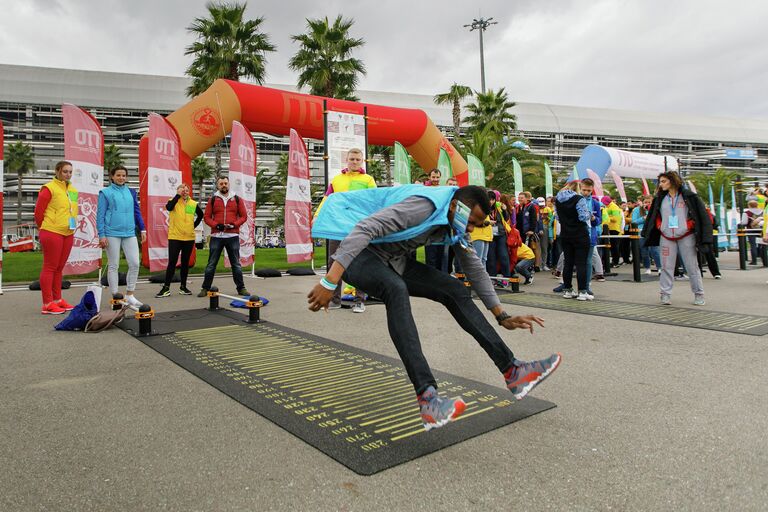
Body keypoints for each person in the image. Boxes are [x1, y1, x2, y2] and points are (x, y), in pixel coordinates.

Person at [308, 184, 561, 431]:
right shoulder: (423, 206)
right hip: (358, 256)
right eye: (471, 220)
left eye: (476, 224)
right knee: (395, 289)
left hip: (392, 260)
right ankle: (428, 398)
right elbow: (366, 227)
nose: (470, 228)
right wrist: (330, 280)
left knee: (455, 290)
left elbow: (473, 266)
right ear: (455, 206)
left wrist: (501, 315)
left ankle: (513, 371)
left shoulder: (456, 220)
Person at [641, 171, 712, 306]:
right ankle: (665, 294)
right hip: (666, 236)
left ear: (672, 181)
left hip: (686, 236)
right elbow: (655, 216)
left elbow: (699, 215)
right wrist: (660, 226)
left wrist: (688, 226)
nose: (660, 184)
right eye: (660, 182)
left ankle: (699, 294)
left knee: (692, 266)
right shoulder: (659, 199)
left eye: (663, 181)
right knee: (666, 266)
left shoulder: (689, 197)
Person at [323, 148, 376, 311]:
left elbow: (374, 202)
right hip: (337, 227)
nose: (354, 162)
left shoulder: (368, 179)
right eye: (352, 159)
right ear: (347, 160)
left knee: (360, 263)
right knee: (333, 262)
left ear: (362, 161)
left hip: (359, 228)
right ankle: (334, 300)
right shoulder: (337, 179)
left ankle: (360, 300)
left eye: (357, 159)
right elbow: (326, 200)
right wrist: (317, 216)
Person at [97, 165, 146, 308]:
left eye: (123, 175)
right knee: (114, 265)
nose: (121, 178)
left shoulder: (131, 192)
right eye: (118, 175)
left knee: (135, 263)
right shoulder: (105, 193)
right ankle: (116, 296)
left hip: (129, 232)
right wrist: (102, 235)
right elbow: (100, 216)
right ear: (112, 176)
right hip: (111, 233)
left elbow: (137, 211)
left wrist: (142, 229)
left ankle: (130, 295)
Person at [34, 161, 78, 314]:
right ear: (58, 171)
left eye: (70, 172)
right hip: (52, 231)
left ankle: (57, 300)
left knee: (59, 268)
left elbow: (72, 210)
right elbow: (38, 212)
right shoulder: (49, 188)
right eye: (65, 171)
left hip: (68, 232)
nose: (68, 174)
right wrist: (45, 228)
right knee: (50, 267)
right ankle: (47, 303)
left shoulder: (72, 189)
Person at [198, 175, 250, 298]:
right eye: (221, 184)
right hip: (217, 236)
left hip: (232, 236)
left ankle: (241, 288)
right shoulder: (213, 199)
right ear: (217, 185)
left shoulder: (237, 199)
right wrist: (217, 225)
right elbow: (206, 217)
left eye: (225, 183)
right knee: (211, 264)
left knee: (236, 264)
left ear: (229, 184)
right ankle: (205, 288)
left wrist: (234, 224)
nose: (223, 185)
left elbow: (243, 216)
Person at [156, 183, 204, 297]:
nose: (184, 191)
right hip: (175, 237)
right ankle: (166, 288)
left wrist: (193, 225)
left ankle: (183, 287)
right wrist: (177, 196)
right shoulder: (173, 201)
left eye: (187, 190)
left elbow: (201, 215)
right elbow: (168, 208)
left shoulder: (192, 203)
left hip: (189, 237)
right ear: (178, 191)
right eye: (182, 189)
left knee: (185, 263)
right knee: (172, 262)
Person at [555, 182, 592, 301]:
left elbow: (557, 218)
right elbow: (583, 216)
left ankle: (568, 290)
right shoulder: (579, 199)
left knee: (568, 263)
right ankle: (582, 292)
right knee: (581, 263)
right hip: (580, 234)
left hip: (565, 234)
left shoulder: (557, 200)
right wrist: (590, 215)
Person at [632, 195, 662, 275]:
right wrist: (643, 218)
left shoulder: (655, 210)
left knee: (655, 251)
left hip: (652, 233)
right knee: (644, 251)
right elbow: (633, 221)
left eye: (649, 202)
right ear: (642, 202)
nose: (647, 204)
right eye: (645, 202)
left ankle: (659, 268)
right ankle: (647, 268)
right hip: (641, 232)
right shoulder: (637, 210)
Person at [486, 190, 512, 279]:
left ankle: (507, 277)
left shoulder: (499, 206)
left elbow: (506, 218)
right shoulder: (484, 207)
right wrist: (488, 222)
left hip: (501, 234)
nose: (491, 202)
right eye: (489, 199)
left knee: (503, 256)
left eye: (493, 199)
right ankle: (492, 278)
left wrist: (504, 210)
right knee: (491, 258)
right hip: (489, 235)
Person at [742, 200, 764, 265]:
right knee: (762, 245)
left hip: (750, 230)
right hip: (761, 229)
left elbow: (744, 222)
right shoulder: (762, 211)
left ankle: (754, 261)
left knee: (753, 245)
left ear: (749, 205)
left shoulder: (747, 213)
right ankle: (764, 260)